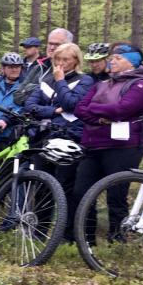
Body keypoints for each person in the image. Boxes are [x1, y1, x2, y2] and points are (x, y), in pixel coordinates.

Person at [72, 44, 143, 246]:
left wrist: (95, 109)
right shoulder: (102, 84)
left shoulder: (141, 85)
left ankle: (116, 241)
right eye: (112, 58)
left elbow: (122, 109)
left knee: (116, 195)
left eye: (117, 58)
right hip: (94, 144)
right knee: (81, 191)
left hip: (125, 147)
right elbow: (80, 109)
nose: (112, 61)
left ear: (131, 61)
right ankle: (86, 240)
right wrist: (101, 118)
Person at [24, 43, 94, 240]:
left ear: (76, 61)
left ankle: (67, 234)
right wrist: (53, 111)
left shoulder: (85, 80)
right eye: (58, 60)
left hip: (69, 137)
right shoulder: (46, 79)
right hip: (44, 137)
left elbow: (72, 104)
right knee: (42, 185)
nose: (61, 64)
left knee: (65, 186)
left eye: (66, 60)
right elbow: (30, 106)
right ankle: (39, 231)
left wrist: (61, 81)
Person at [13, 27, 74, 106]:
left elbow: (64, 102)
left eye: (57, 44)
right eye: (50, 43)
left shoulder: (71, 72)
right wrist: (35, 101)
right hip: (31, 114)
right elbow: (17, 96)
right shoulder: (38, 67)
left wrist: (31, 92)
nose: (52, 48)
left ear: (68, 46)